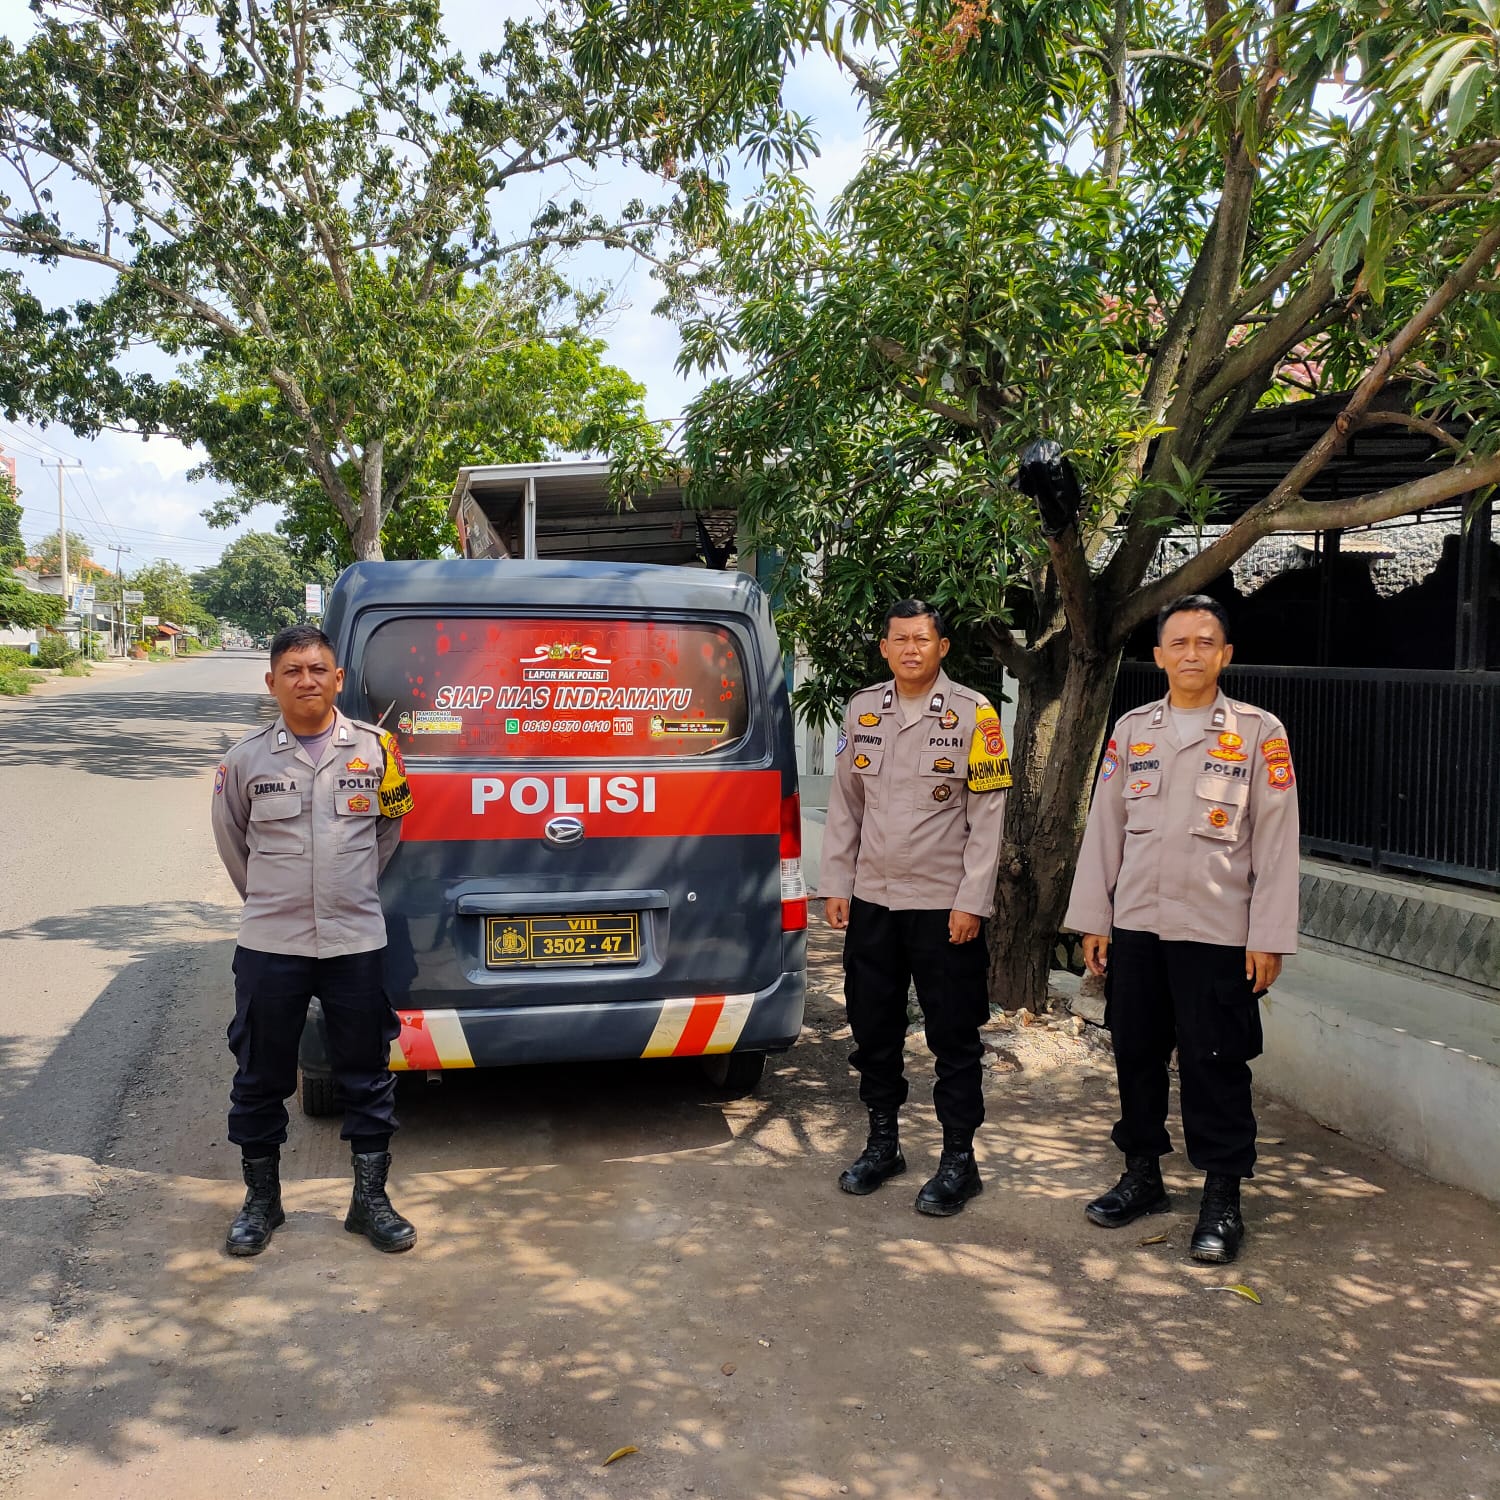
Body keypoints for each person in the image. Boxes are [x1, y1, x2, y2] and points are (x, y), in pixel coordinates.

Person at [1066, 595, 1300, 1264]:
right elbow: (1105, 829)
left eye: (1205, 642)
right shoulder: (1132, 730)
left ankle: (1222, 1198)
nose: (1191, 653)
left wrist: (1268, 936)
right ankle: (1142, 1176)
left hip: (1218, 933)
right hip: (1138, 926)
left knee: (1215, 1063)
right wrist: (1094, 920)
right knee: (1135, 1054)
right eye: (1179, 642)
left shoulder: (1259, 733)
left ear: (1225, 655)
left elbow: (1278, 842)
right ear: (1159, 655)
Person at [210, 624, 417, 1257]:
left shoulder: (379, 751)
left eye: (318, 668)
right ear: (271, 682)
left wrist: (345, 891)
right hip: (272, 942)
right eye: (293, 671)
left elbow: (389, 831)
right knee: (260, 1074)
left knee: (368, 1073)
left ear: (338, 678)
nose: (307, 680)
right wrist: (277, 902)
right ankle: (262, 1201)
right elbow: (233, 844)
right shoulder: (244, 760)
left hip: (355, 939)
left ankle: (369, 1202)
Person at [820, 600, 1011, 1216]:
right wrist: (837, 884)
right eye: (899, 639)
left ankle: (959, 1160)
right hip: (874, 902)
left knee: (953, 1035)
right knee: (874, 1029)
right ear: (884, 648)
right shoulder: (862, 710)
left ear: (942, 647)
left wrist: (972, 901)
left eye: (922, 639)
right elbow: (846, 805)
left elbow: (987, 819)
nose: (910, 649)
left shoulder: (975, 715)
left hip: (943, 907)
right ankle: (883, 1145)